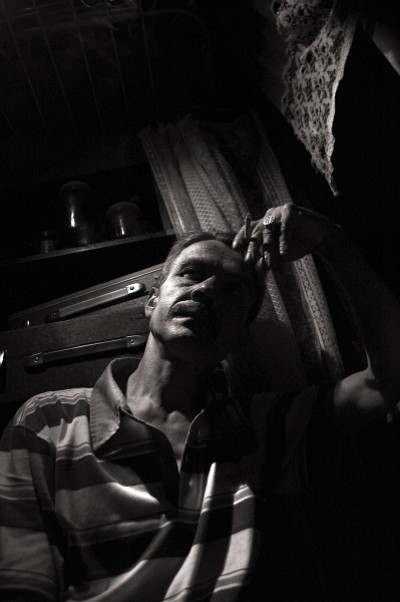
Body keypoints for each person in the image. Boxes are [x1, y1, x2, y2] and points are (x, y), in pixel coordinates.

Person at [0, 203, 399, 601]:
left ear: (241, 336)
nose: (206, 290)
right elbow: (21, 585)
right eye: (191, 272)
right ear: (152, 301)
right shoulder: (49, 421)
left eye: (232, 290)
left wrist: (330, 239)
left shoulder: (253, 431)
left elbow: (386, 385)